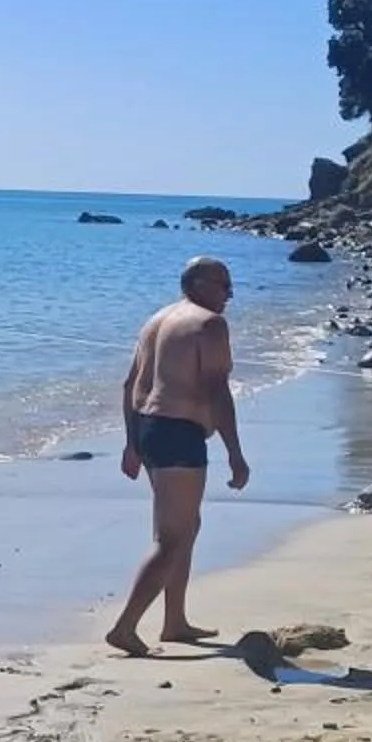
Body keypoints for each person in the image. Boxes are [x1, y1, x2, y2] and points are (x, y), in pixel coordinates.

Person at [104, 257, 251, 658]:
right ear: (198, 284)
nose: (230, 294)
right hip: (178, 434)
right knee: (171, 539)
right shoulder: (209, 324)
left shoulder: (157, 320)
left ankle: (175, 622)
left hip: (149, 428)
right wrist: (235, 453)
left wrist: (133, 443)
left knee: (186, 526)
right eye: (223, 285)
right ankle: (125, 628)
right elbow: (218, 391)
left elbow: (130, 385)